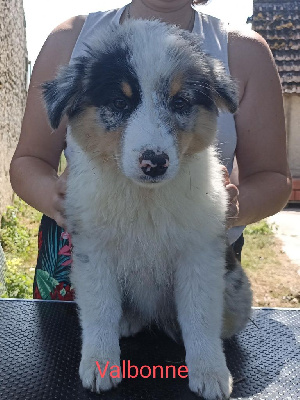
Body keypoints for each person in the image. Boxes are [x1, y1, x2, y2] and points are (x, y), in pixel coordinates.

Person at [10, 0, 292, 300]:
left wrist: (228, 209)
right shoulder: (70, 39)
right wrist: (56, 198)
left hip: (190, 266)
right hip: (85, 259)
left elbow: (273, 178)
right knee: (65, 346)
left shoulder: (244, 51)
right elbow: (29, 160)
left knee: (197, 344)